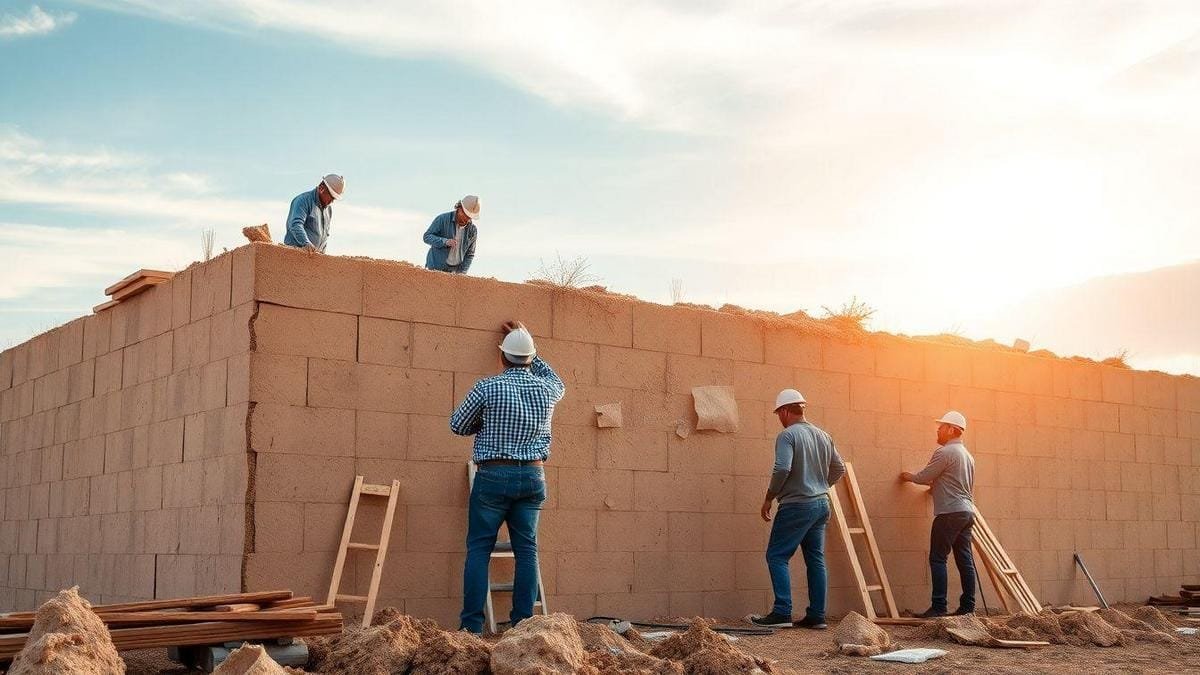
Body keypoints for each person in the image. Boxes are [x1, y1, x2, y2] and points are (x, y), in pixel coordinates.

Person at [450, 320, 565, 634]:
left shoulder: (487, 387)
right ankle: (523, 624)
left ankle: (471, 627)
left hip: (493, 476)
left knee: (479, 549)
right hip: (533, 476)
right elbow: (556, 379)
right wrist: (528, 341)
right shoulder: (549, 389)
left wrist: (484, 426)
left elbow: (458, 425)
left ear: (501, 357)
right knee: (527, 550)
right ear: (531, 358)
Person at [750, 389, 846, 629]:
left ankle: (782, 612)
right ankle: (817, 616)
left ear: (784, 411)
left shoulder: (788, 436)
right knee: (815, 558)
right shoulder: (823, 435)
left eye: (778, 414)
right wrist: (821, 485)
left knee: (777, 555)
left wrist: (769, 498)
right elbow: (839, 468)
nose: (779, 419)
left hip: (797, 505)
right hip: (822, 504)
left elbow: (782, 468)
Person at [900, 410, 977, 618]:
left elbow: (926, 476)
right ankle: (968, 608)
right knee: (965, 560)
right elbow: (953, 481)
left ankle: (939, 607)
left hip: (949, 512)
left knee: (937, 558)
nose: (938, 430)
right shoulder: (967, 456)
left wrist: (908, 477)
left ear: (952, 430)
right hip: (966, 511)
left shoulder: (944, 453)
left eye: (942, 427)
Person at [282, 174, 344, 253]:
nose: (332, 201)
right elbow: (295, 225)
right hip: (295, 255)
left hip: (313, 259)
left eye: (334, 198)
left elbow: (325, 236)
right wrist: (306, 243)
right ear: (322, 188)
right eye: (331, 196)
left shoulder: (328, 210)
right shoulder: (302, 201)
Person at [423, 195, 480, 273]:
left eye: (469, 217)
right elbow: (427, 237)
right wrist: (445, 241)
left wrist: (462, 273)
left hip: (454, 272)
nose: (465, 220)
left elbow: (470, 254)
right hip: (435, 268)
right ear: (459, 208)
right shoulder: (442, 219)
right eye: (464, 215)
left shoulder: (472, 230)